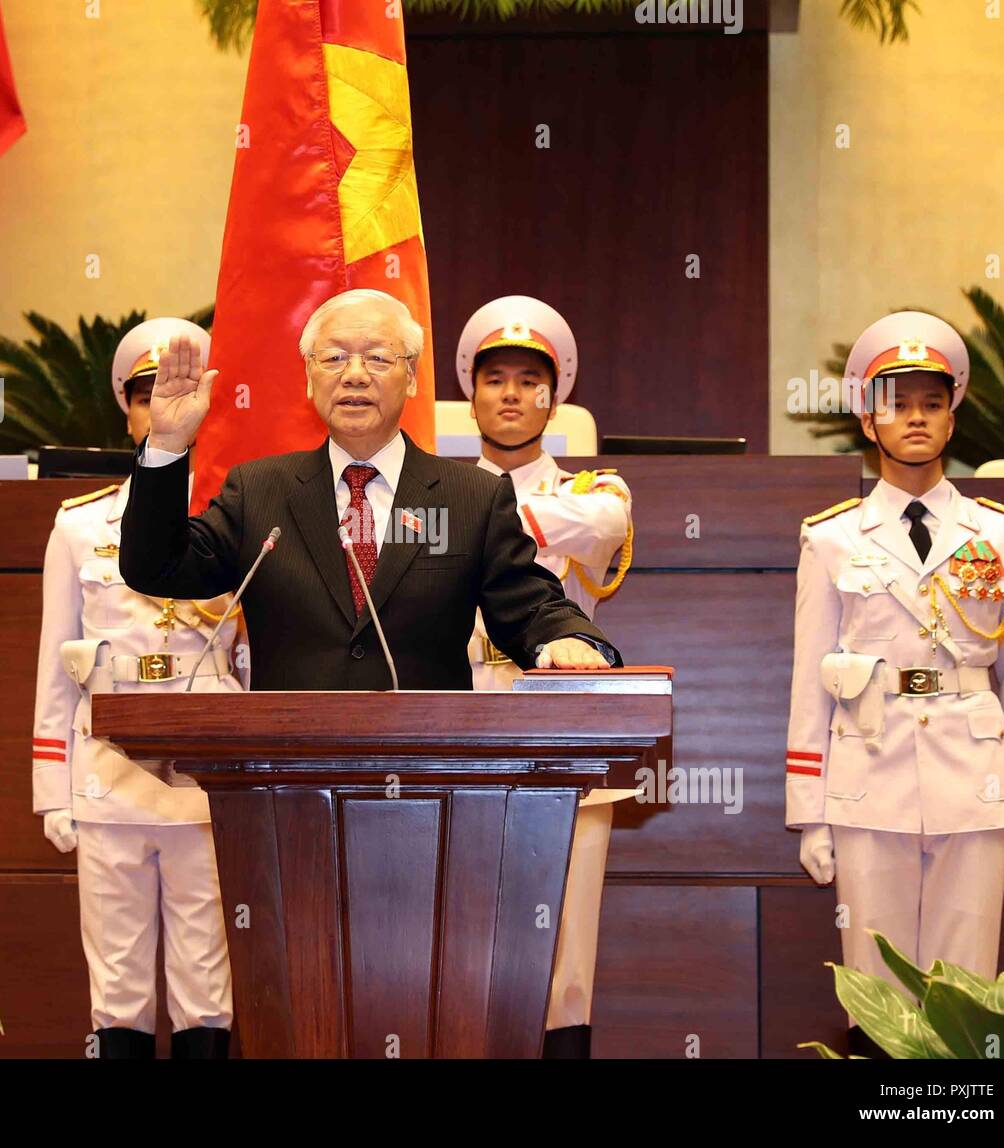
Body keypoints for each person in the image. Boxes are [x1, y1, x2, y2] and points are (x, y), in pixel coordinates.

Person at [119, 288, 621, 687]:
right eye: (334, 358)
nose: (354, 376)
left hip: (428, 776)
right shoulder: (260, 490)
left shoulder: (468, 498)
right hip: (289, 775)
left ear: (412, 378)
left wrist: (570, 638)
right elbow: (157, 566)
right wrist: (165, 444)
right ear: (308, 378)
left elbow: (529, 606)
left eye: (378, 359)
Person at [785, 310, 1004, 1056]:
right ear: (869, 418)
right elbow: (809, 675)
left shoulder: (1002, 534)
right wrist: (811, 809)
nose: (916, 418)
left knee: (967, 994)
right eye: (897, 403)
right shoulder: (830, 536)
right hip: (870, 770)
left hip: (977, 775)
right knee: (879, 993)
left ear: (953, 415)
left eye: (932, 402)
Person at [32, 318, 242, 1060]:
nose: (161, 409)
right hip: (111, 773)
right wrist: (53, 789)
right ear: (129, 411)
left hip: (206, 782)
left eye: (177, 393)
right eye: (147, 395)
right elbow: (58, 667)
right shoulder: (81, 528)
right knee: (117, 988)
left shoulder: (233, 518)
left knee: (206, 989)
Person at [458, 296, 635, 1059]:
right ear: (470, 395)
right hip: (454, 725)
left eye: (529, 381)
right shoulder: (420, 497)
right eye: (493, 378)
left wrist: (458, 514)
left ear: (553, 398)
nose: (510, 394)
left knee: (565, 952)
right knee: (462, 936)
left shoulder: (597, 498)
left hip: (560, 724)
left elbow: (591, 535)